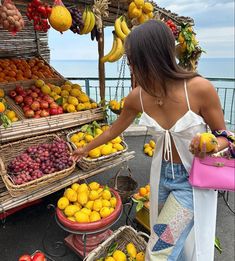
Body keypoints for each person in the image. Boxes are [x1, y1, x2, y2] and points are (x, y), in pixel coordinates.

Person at [73, 20, 233, 260]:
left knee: (159, 251)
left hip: (191, 181)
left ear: (153, 57)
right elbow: (112, 131)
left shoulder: (199, 89)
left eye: (134, 60)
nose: (131, 66)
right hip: (161, 177)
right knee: (171, 243)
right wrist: (84, 149)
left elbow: (227, 138)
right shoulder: (137, 97)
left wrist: (208, 142)